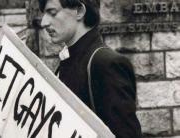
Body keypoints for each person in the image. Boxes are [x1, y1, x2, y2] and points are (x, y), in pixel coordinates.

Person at [39, 0, 142, 137]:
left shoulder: (106, 64)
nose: (43, 22)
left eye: (52, 12)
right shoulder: (68, 58)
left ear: (79, 11)